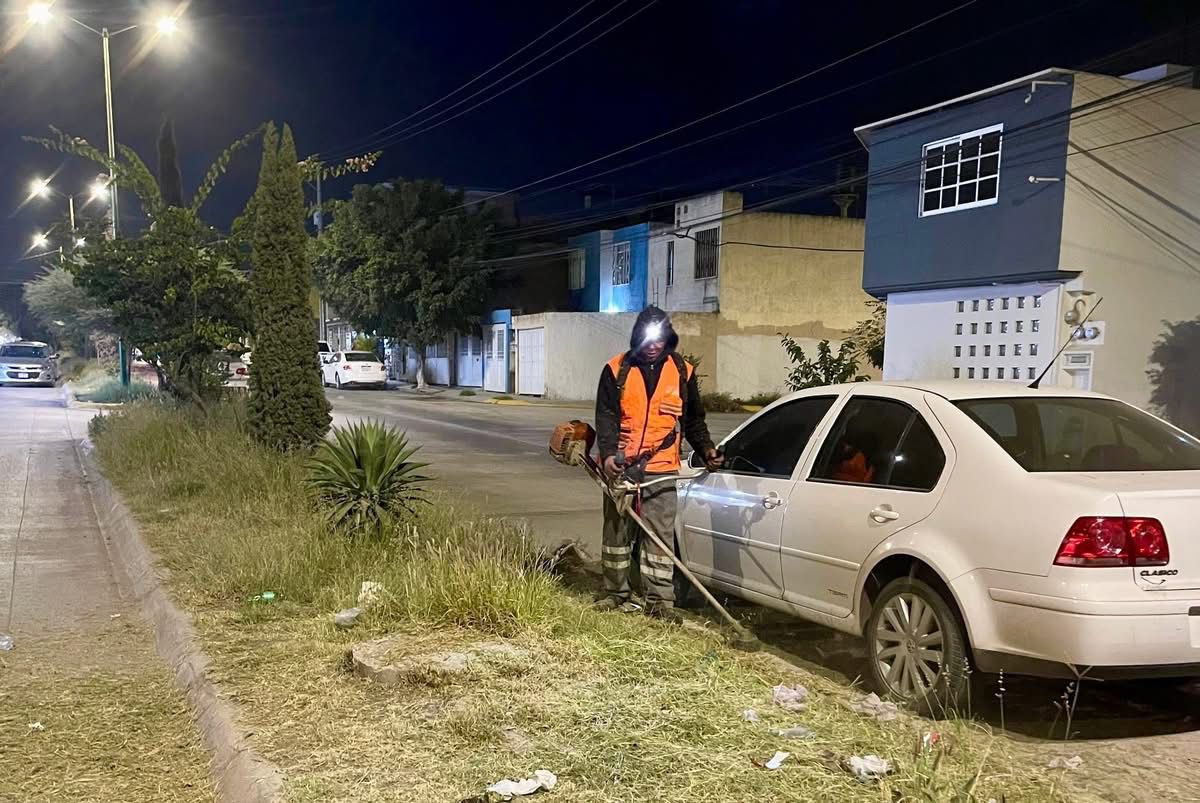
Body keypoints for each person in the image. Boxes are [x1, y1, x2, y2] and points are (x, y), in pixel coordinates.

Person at [594, 306, 722, 623]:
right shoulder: (616, 370)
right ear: (638, 336)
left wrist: (706, 449)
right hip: (623, 467)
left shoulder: (682, 373)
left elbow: (693, 421)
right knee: (616, 533)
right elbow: (606, 418)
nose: (654, 345)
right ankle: (615, 592)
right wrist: (608, 455)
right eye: (649, 338)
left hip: (661, 468)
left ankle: (659, 601)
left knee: (659, 538)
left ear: (668, 339)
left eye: (660, 339)